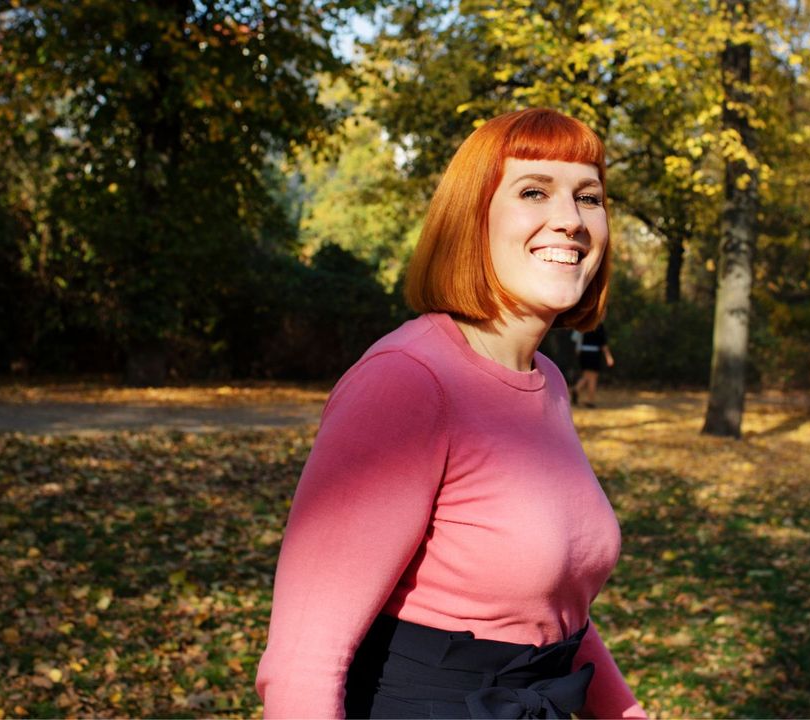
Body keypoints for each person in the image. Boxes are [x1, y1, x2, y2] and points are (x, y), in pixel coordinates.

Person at [254, 108, 648, 718]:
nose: (569, 221)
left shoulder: (545, 381)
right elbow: (302, 661)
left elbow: (547, 610)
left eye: (589, 197)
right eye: (533, 191)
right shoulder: (408, 382)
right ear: (473, 218)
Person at [573, 323, 614, 408]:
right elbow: (603, 343)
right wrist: (608, 356)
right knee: (593, 377)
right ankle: (590, 400)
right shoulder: (598, 325)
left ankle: (576, 389)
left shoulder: (586, 321)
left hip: (583, 353)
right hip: (593, 354)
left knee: (586, 375)